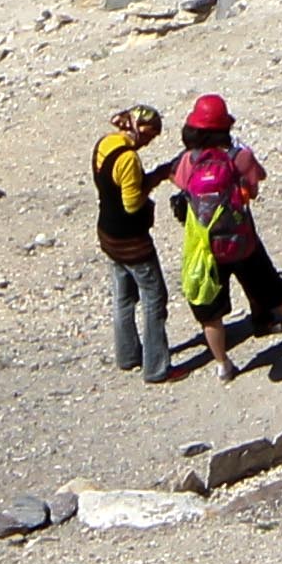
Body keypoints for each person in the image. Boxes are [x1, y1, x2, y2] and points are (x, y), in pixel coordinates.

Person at [166, 91, 282, 376]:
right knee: (273, 289)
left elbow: (180, 184)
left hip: (204, 246)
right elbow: (256, 185)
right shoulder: (240, 156)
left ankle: (223, 364)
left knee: (211, 313)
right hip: (242, 239)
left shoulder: (187, 161)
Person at [88, 105, 175, 378]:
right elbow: (132, 203)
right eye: (149, 136)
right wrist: (155, 179)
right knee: (154, 298)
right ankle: (157, 367)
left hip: (107, 233)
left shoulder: (104, 144)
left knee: (123, 297)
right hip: (132, 241)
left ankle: (127, 356)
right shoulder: (128, 160)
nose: (148, 142)